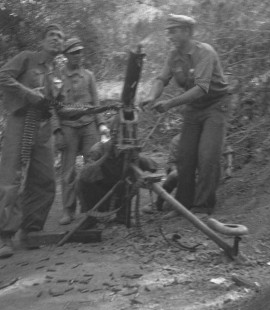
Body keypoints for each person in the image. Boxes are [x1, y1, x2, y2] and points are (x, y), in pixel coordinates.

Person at [141, 14, 230, 217]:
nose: (169, 36)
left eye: (173, 31)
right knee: (185, 157)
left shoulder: (204, 52)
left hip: (215, 106)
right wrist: (151, 97)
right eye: (168, 32)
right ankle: (183, 206)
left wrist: (170, 103)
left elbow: (201, 89)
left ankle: (203, 206)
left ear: (187, 32)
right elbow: (162, 78)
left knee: (207, 156)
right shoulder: (174, 55)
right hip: (193, 108)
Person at [0, 23, 65, 258]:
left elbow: (60, 107)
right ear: (42, 40)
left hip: (44, 127)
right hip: (21, 122)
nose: (56, 39)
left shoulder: (57, 74)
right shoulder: (27, 58)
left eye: (60, 37)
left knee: (45, 180)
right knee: (11, 178)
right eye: (51, 35)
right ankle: (5, 235)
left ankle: (31, 231)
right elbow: (3, 76)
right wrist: (29, 93)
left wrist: (94, 110)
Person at [56, 37, 106, 225]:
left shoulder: (89, 76)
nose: (78, 55)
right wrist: (57, 131)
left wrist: (101, 124)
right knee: (68, 170)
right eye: (74, 52)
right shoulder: (57, 77)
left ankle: (93, 208)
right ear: (66, 55)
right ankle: (68, 210)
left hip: (88, 125)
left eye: (80, 52)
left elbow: (96, 102)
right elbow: (52, 107)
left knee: (93, 166)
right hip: (68, 126)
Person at [77, 115, 158, 224]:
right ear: (113, 136)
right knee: (82, 182)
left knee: (130, 178)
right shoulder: (98, 150)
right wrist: (105, 158)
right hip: (101, 193)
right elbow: (85, 176)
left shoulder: (129, 151)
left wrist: (136, 160)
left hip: (120, 191)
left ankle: (123, 216)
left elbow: (152, 166)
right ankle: (90, 218)